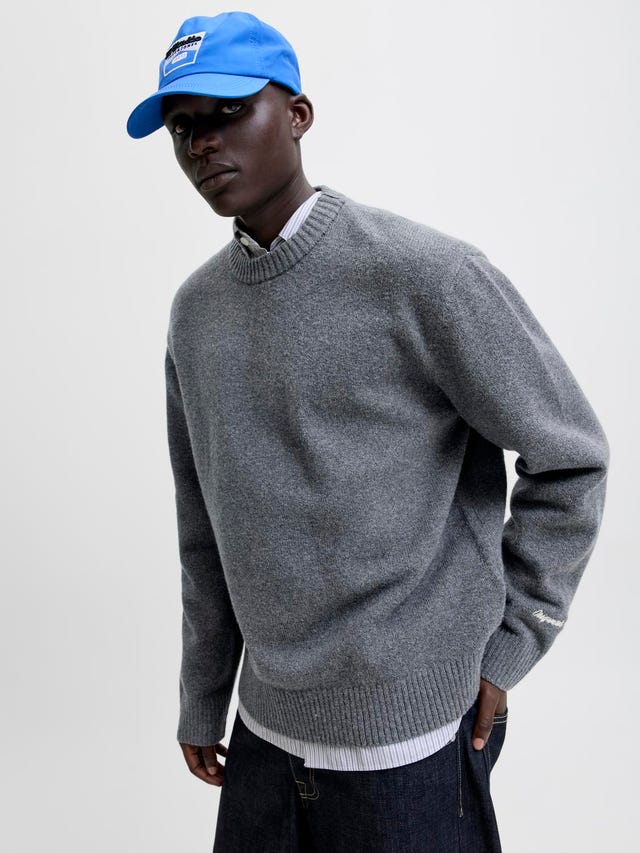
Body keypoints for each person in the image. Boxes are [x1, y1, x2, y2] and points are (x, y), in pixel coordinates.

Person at [127, 11, 610, 853]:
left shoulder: (425, 276)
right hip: (263, 734)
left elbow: (570, 456)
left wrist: (512, 644)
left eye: (228, 112)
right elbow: (204, 523)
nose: (202, 142)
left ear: (298, 114)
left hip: (413, 739)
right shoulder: (196, 313)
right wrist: (204, 693)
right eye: (182, 127)